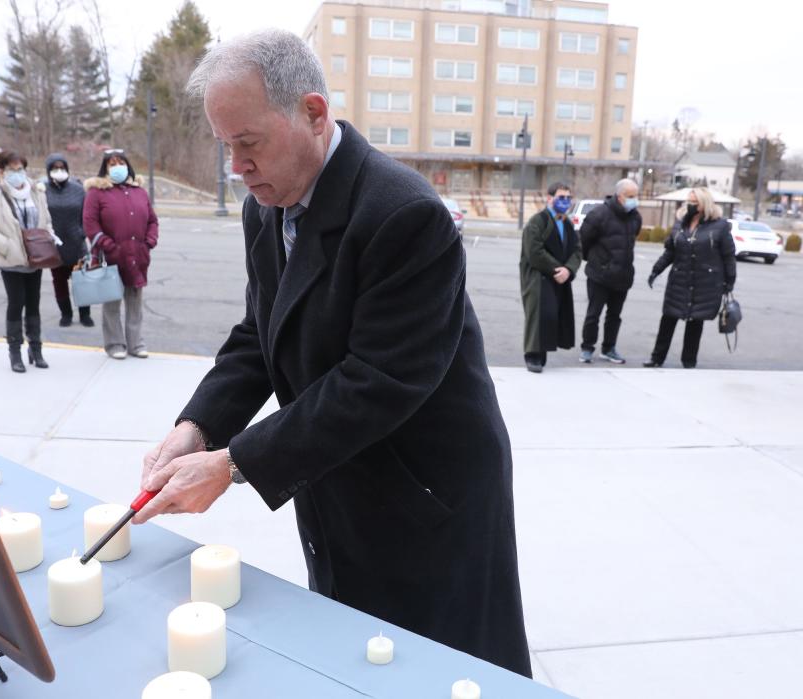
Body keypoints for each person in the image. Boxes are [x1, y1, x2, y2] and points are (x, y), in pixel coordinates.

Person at [131, 30, 531, 678]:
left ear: (314, 114)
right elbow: (259, 335)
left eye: (249, 143)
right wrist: (194, 428)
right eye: (225, 146)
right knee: (354, 652)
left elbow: (376, 383)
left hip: (422, 490)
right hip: (336, 470)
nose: (237, 167)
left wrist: (231, 463)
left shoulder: (404, 214)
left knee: (436, 666)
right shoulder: (264, 211)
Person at [0, 151, 53, 372]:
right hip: (11, 260)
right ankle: (15, 351)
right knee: (16, 303)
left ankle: (36, 349)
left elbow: (45, 219)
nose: (17, 174)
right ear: (1, 171)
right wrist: (7, 246)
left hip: (36, 257)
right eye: (12, 170)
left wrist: (49, 237)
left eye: (20, 169)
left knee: (34, 304)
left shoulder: (36, 191)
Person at [644, 187, 736, 368]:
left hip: (705, 282)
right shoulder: (680, 223)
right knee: (668, 319)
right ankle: (656, 358)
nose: (690, 205)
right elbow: (670, 252)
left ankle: (689, 361)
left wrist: (729, 281)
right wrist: (656, 270)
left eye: (694, 202)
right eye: (689, 201)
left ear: (704, 204)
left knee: (695, 322)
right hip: (679, 279)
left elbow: (728, 256)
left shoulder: (720, 226)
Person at [82, 149, 158, 359]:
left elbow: (152, 220)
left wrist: (149, 241)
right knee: (112, 304)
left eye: (121, 163)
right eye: (112, 164)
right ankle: (115, 344)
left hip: (138, 256)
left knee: (135, 303)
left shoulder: (139, 192)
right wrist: (106, 244)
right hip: (111, 257)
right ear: (106, 168)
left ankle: (136, 343)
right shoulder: (97, 193)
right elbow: (90, 223)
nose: (117, 167)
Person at [519, 182, 582, 373]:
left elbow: (577, 250)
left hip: (559, 277)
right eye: (561, 197)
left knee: (552, 315)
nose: (565, 201)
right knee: (539, 315)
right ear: (549, 198)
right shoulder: (538, 221)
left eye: (568, 198)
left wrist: (568, 270)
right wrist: (558, 269)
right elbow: (534, 252)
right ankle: (533, 356)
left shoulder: (567, 223)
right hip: (538, 277)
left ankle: (542, 355)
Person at [578, 178, 642, 364]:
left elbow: (632, 240)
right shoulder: (599, 214)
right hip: (600, 275)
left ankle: (609, 348)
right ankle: (587, 347)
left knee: (614, 316)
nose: (634, 200)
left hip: (623, 276)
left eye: (636, 196)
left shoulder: (635, 217)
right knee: (593, 314)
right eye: (630, 196)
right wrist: (598, 262)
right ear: (619, 196)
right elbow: (583, 241)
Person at [43, 153, 92, 328]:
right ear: (49, 171)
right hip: (55, 246)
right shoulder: (43, 190)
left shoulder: (78, 189)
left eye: (62, 168)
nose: (59, 171)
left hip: (77, 244)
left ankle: (85, 314)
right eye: (55, 168)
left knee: (83, 282)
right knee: (59, 281)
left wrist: (82, 232)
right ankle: (66, 314)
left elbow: (87, 215)